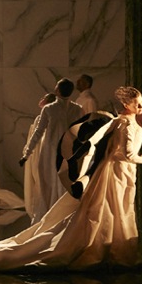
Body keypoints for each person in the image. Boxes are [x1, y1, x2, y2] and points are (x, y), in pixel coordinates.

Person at [0, 86, 142, 273]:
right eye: (137, 103)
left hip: (114, 171)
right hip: (116, 172)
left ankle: (109, 246)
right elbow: (126, 153)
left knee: (109, 208)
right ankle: (108, 248)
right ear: (126, 104)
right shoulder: (124, 124)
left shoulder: (119, 121)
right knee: (110, 207)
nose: (141, 107)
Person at [18, 78, 83, 223]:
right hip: (69, 152)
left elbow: (38, 132)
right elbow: (82, 133)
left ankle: (51, 216)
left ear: (57, 90)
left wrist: (27, 154)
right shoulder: (78, 109)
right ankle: (63, 215)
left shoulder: (49, 109)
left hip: (50, 153)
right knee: (64, 183)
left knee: (48, 185)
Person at [23, 92, 57, 222]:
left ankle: (39, 211)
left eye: (44, 98)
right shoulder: (45, 117)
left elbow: (37, 136)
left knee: (38, 181)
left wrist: (28, 150)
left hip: (38, 153)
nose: (41, 99)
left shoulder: (43, 117)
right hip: (39, 152)